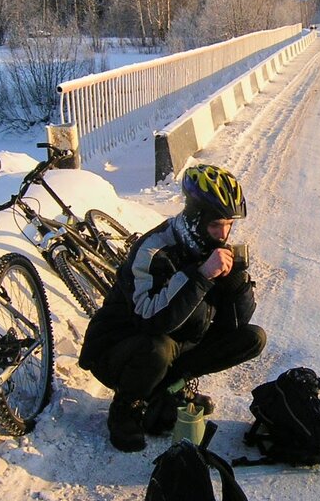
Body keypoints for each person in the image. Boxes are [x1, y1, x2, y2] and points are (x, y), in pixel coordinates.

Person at [79, 164, 266, 452]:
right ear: (194, 218)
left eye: (229, 225)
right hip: (121, 349)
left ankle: (170, 389)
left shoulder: (210, 247)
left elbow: (234, 326)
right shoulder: (154, 250)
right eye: (216, 225)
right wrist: (201, 276)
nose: (223, 234)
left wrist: (236, 283)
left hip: (176, 341)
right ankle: (126, 407)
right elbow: (151, 319)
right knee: (158, 347)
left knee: (252, 338)